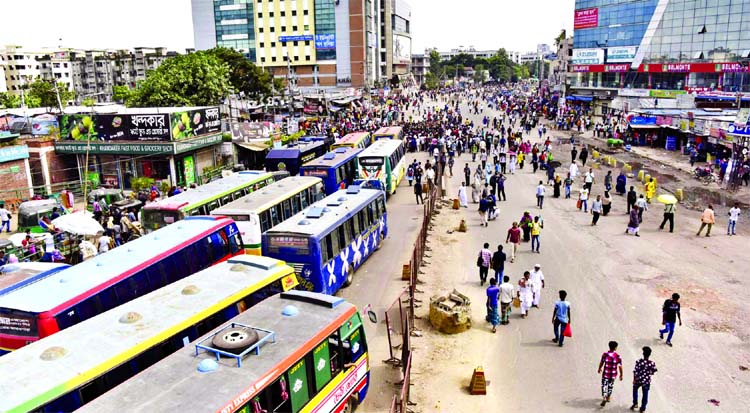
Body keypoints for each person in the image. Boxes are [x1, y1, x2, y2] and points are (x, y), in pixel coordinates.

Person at [631, 346, 658, 412]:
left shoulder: (639, 361)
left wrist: (634, 379)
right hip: (646, 381)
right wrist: (648, 373)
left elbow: (635, 371)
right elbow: (654, 371)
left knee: (635, 390)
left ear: (643, 354)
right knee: (645, 395)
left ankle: (635, 403)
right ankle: (643, 408)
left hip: (638, 379)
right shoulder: (652, 363)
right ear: (649, 354)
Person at [598, 341, 623, 407]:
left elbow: (602, 362)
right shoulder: (617, 356)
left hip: (605, 373)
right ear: (615, 348)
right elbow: (620, 366)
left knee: (604, 385)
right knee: (610, 385)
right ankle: (608, 397)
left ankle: (604, 397)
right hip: (613, 375)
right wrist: (621, 374)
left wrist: (599, 368)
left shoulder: (605, 354)